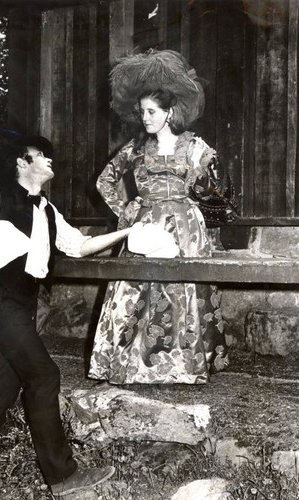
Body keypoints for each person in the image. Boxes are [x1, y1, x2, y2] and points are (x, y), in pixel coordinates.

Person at [0, 133, 135, 497]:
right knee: (45, 376)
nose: (50, 161)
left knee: (3, 387)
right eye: (42, 155)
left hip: (22, 304)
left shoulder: (47, 210)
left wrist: (128, 231)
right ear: (22, 162)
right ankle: (63, 476)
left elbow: (80, 246)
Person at [88, 49, 231, 386]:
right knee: (137, 289)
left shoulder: (195, 146)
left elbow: (218, 188)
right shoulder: (136, 148)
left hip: (185, 229)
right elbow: (104, 180)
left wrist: (201, 198)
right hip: (146, 226)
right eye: (142, 112)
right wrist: (126, 210)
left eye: (151, 112)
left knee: (182, 291)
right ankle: (132, 362)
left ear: (169, 113)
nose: (145, 118)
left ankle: (183, 364)